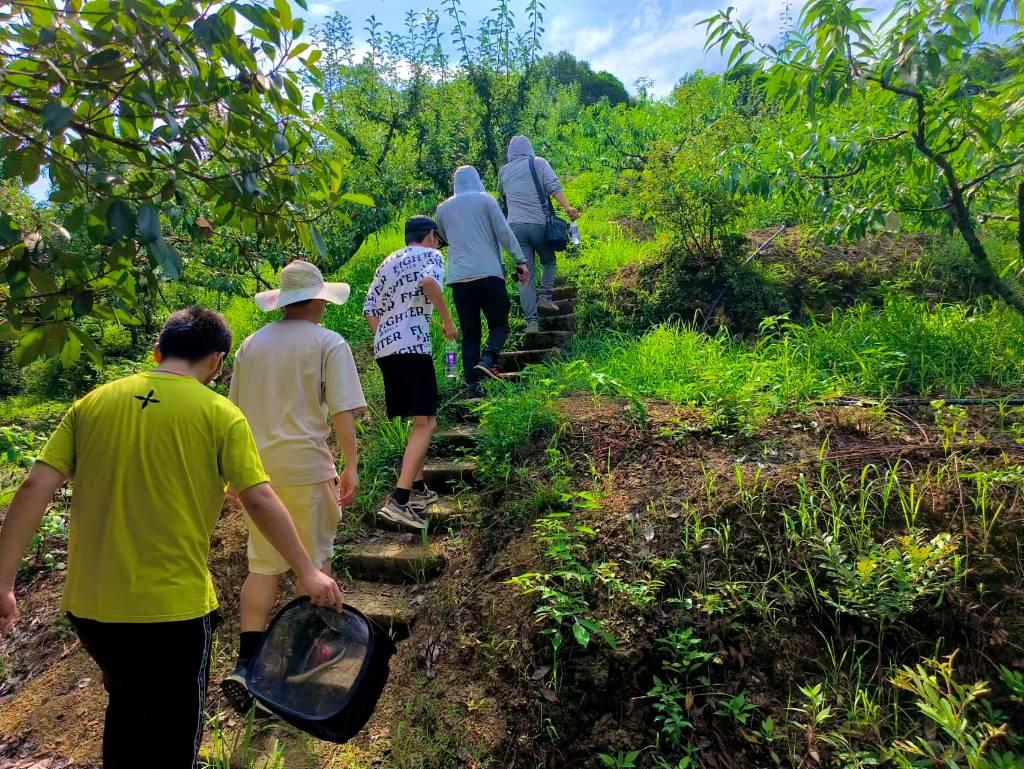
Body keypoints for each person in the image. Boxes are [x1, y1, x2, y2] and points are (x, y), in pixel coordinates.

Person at [0, 307, 342, 769]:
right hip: (173, 609)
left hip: (91, 607)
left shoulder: (93, 402)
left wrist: (4, 583)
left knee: (127, 705)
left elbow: (34, 486)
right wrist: (307, 570)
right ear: (217, 362)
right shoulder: (220, 414)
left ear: (158, 351)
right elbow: (259, 498)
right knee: (174, 731)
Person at [221, 260, 367, 714]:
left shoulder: (250, 346)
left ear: (283, 302)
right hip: (306, 468)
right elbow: (343, 411)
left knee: (262, 568)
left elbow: (234, 414)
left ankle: (246, 666)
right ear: (320, 300)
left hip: (257, 475)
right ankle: (302, 662)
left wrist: (232, 474)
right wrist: (351, 464)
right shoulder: (328, 343)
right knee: (316, 563)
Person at [363, 215, 458, 531]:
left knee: (418, 419)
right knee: (428, 421)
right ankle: (399, 500)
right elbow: (430, 283)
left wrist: (387, 334)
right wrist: (446, 322)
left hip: (386, 349)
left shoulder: (387, 261)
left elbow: (369, 309)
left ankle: (418, 490)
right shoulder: (432, 256)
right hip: (412, 347)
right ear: (432, 236)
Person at [435, 165, 529, 396]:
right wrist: (520, 260)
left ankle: (472, 387)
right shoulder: (485, 200)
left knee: (470, 334)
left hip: (459, 279)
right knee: (500, 324)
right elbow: (504, 231)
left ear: (455, 183)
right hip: (489, 274)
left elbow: (443, 236)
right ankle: (487, 360)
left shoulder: (443, 208)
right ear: (476, 180)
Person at [498, 135, 579, 333]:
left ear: (510, 152)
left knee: (525, 274)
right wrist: (567, 207)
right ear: (528, 148)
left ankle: (531, 323)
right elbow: (553, 186)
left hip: (515, 228)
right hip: (538, 224)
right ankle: (544, 297)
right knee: (549, 261)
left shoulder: (503, 171)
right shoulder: (538, 163)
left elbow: (502, 196)